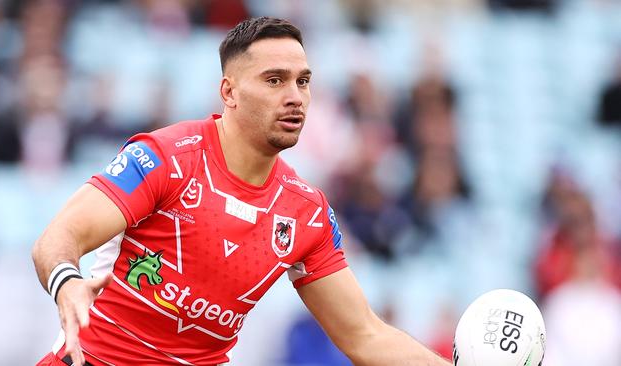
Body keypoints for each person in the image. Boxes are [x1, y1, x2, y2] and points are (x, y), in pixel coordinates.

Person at [32, 17, 451, 366]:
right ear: (229, 92)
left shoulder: (306, 212)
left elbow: (365, 336)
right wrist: (67, 283)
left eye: (303, 82)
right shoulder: (165, 158)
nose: (295, 97)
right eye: (275, 80)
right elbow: (56, 240)